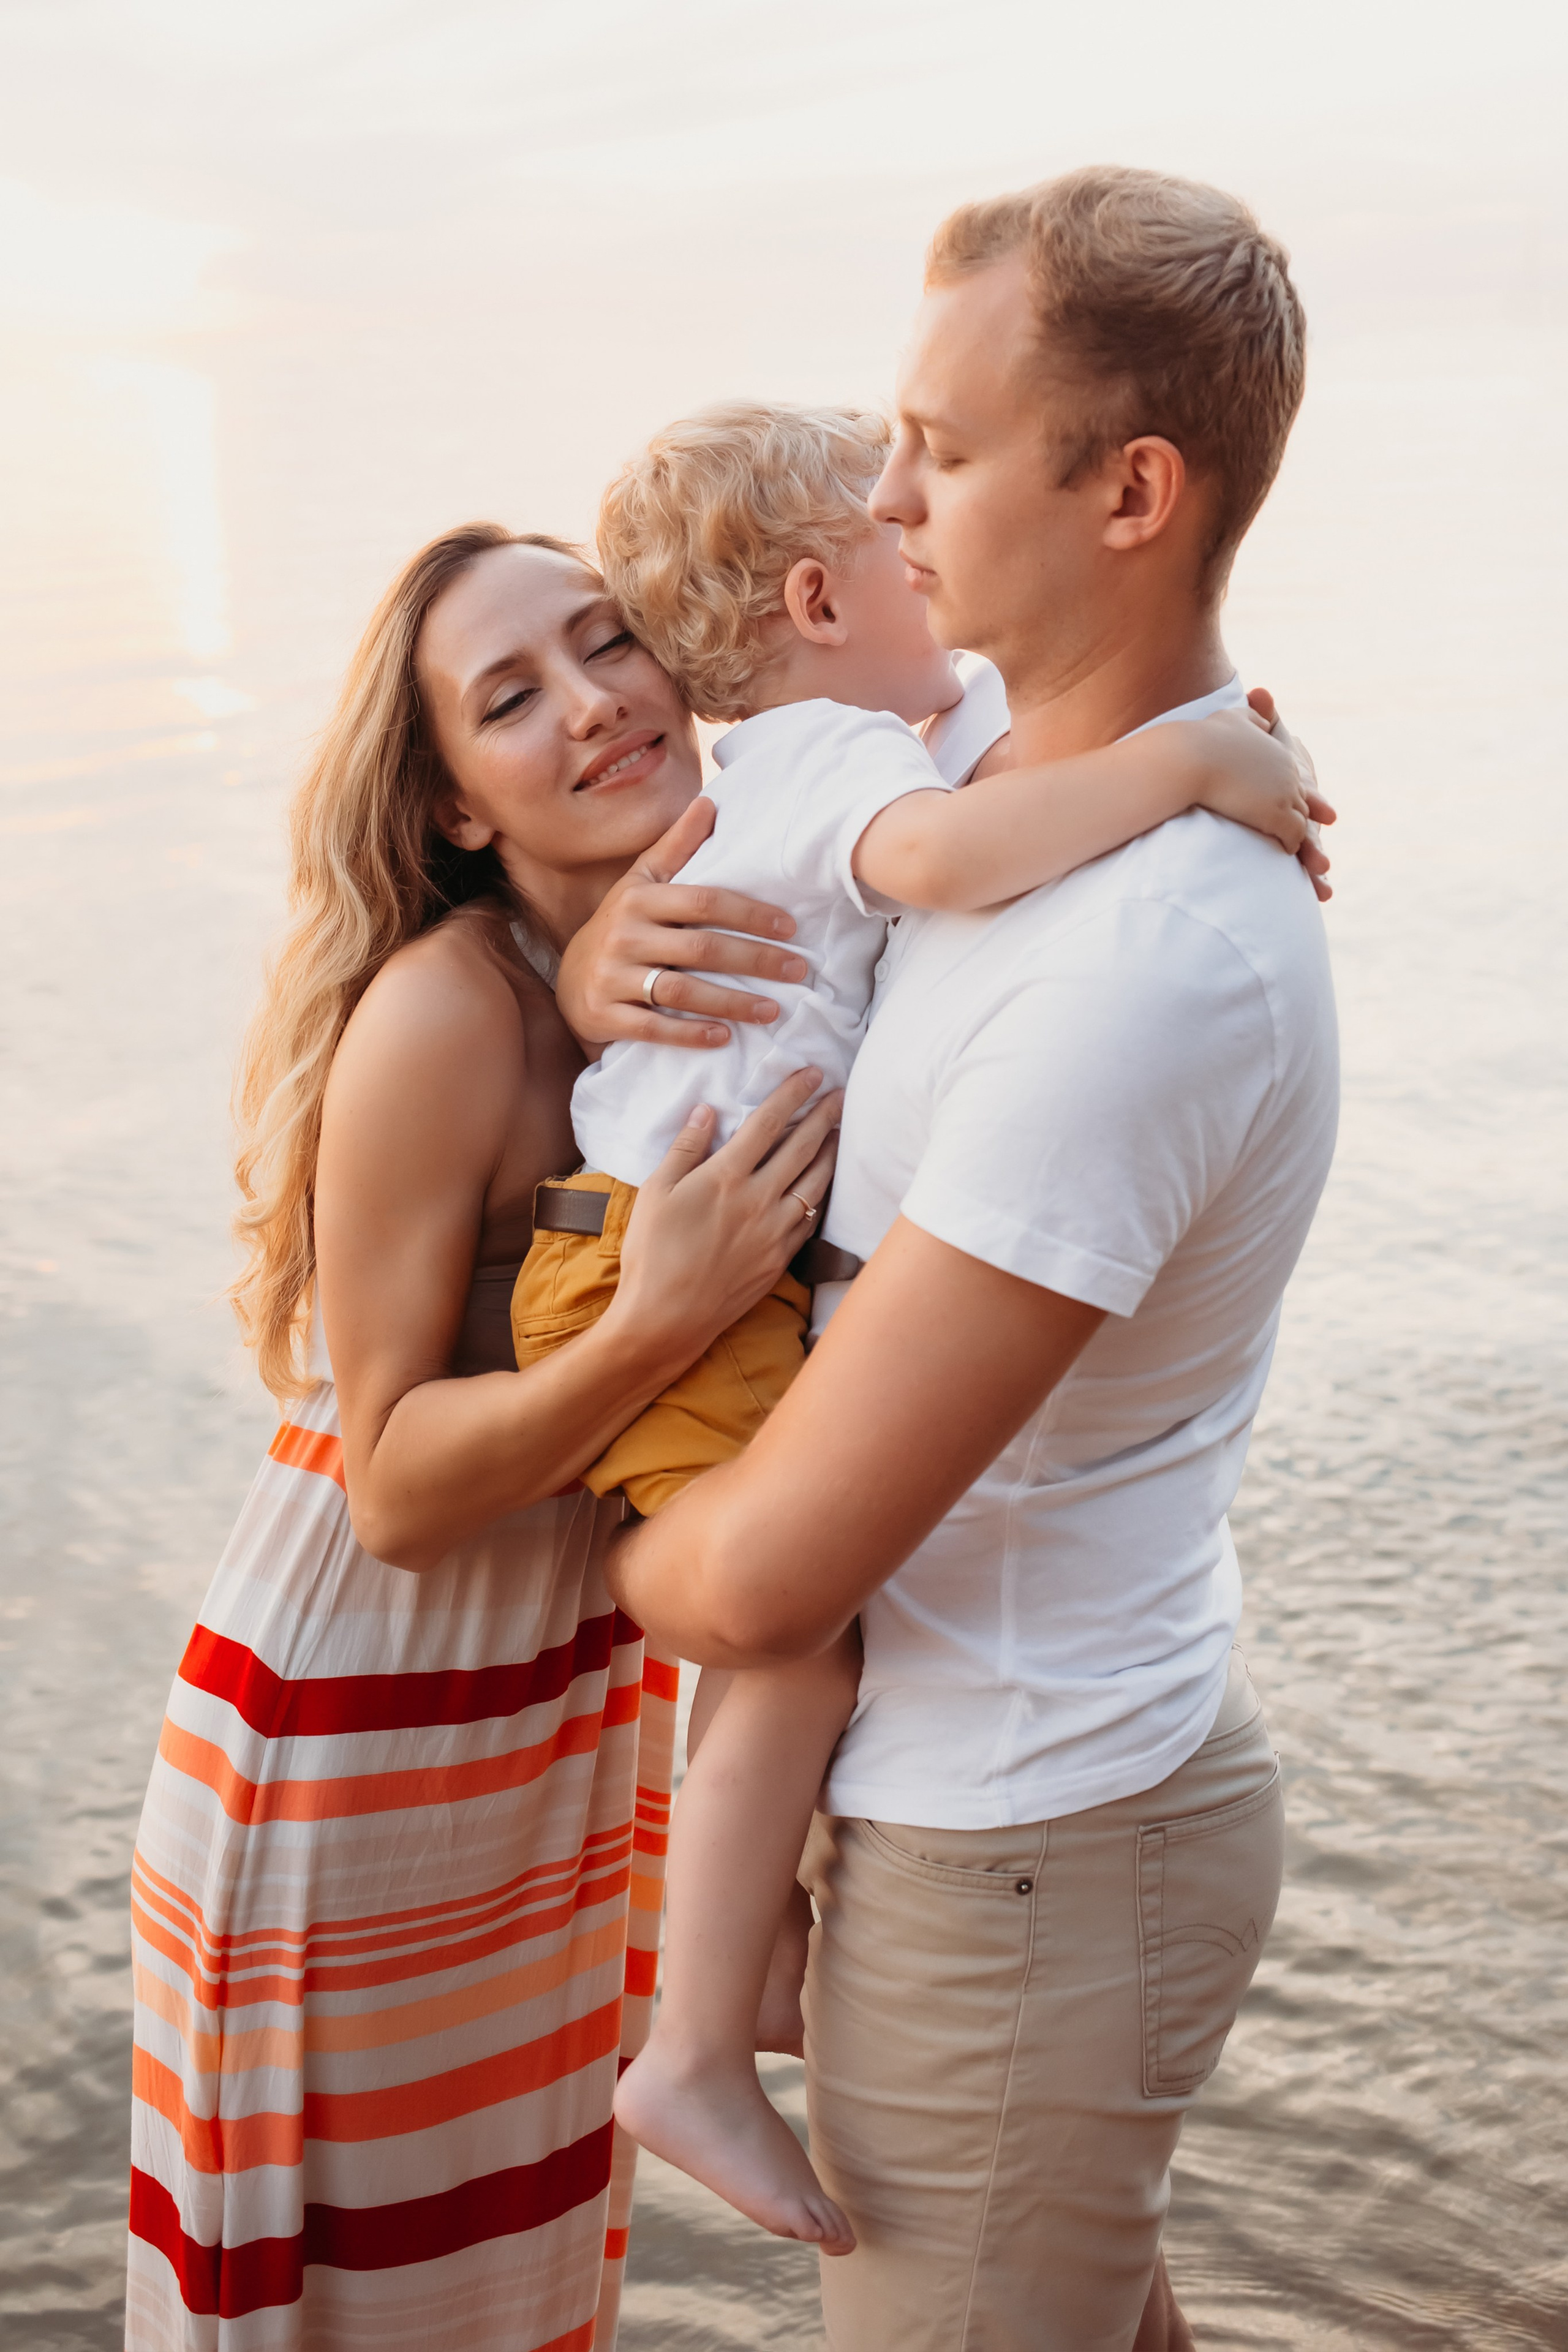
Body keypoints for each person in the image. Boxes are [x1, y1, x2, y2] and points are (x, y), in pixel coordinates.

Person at [578, 165, 1341, 2350]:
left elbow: (753, 1583)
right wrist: (611, 964)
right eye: (887, 438)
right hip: (1028, 1800)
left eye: (947, 444)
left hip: (1018, 1849)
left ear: (1135, 491)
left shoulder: (1140, 966)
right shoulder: (996, 780)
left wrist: (576, 1530)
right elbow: (857, 850)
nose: (895, 495)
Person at [123, 524, 842, 2352]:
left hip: (543, 1712)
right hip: (354, 1726)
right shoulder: (447, 1011)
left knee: (512, 2284)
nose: (597, 704)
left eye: (613, 644)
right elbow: (396, 1489)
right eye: (514, 698)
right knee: (356, 2305)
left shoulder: (701, 932)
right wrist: (664, 1319)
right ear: (452, 803)